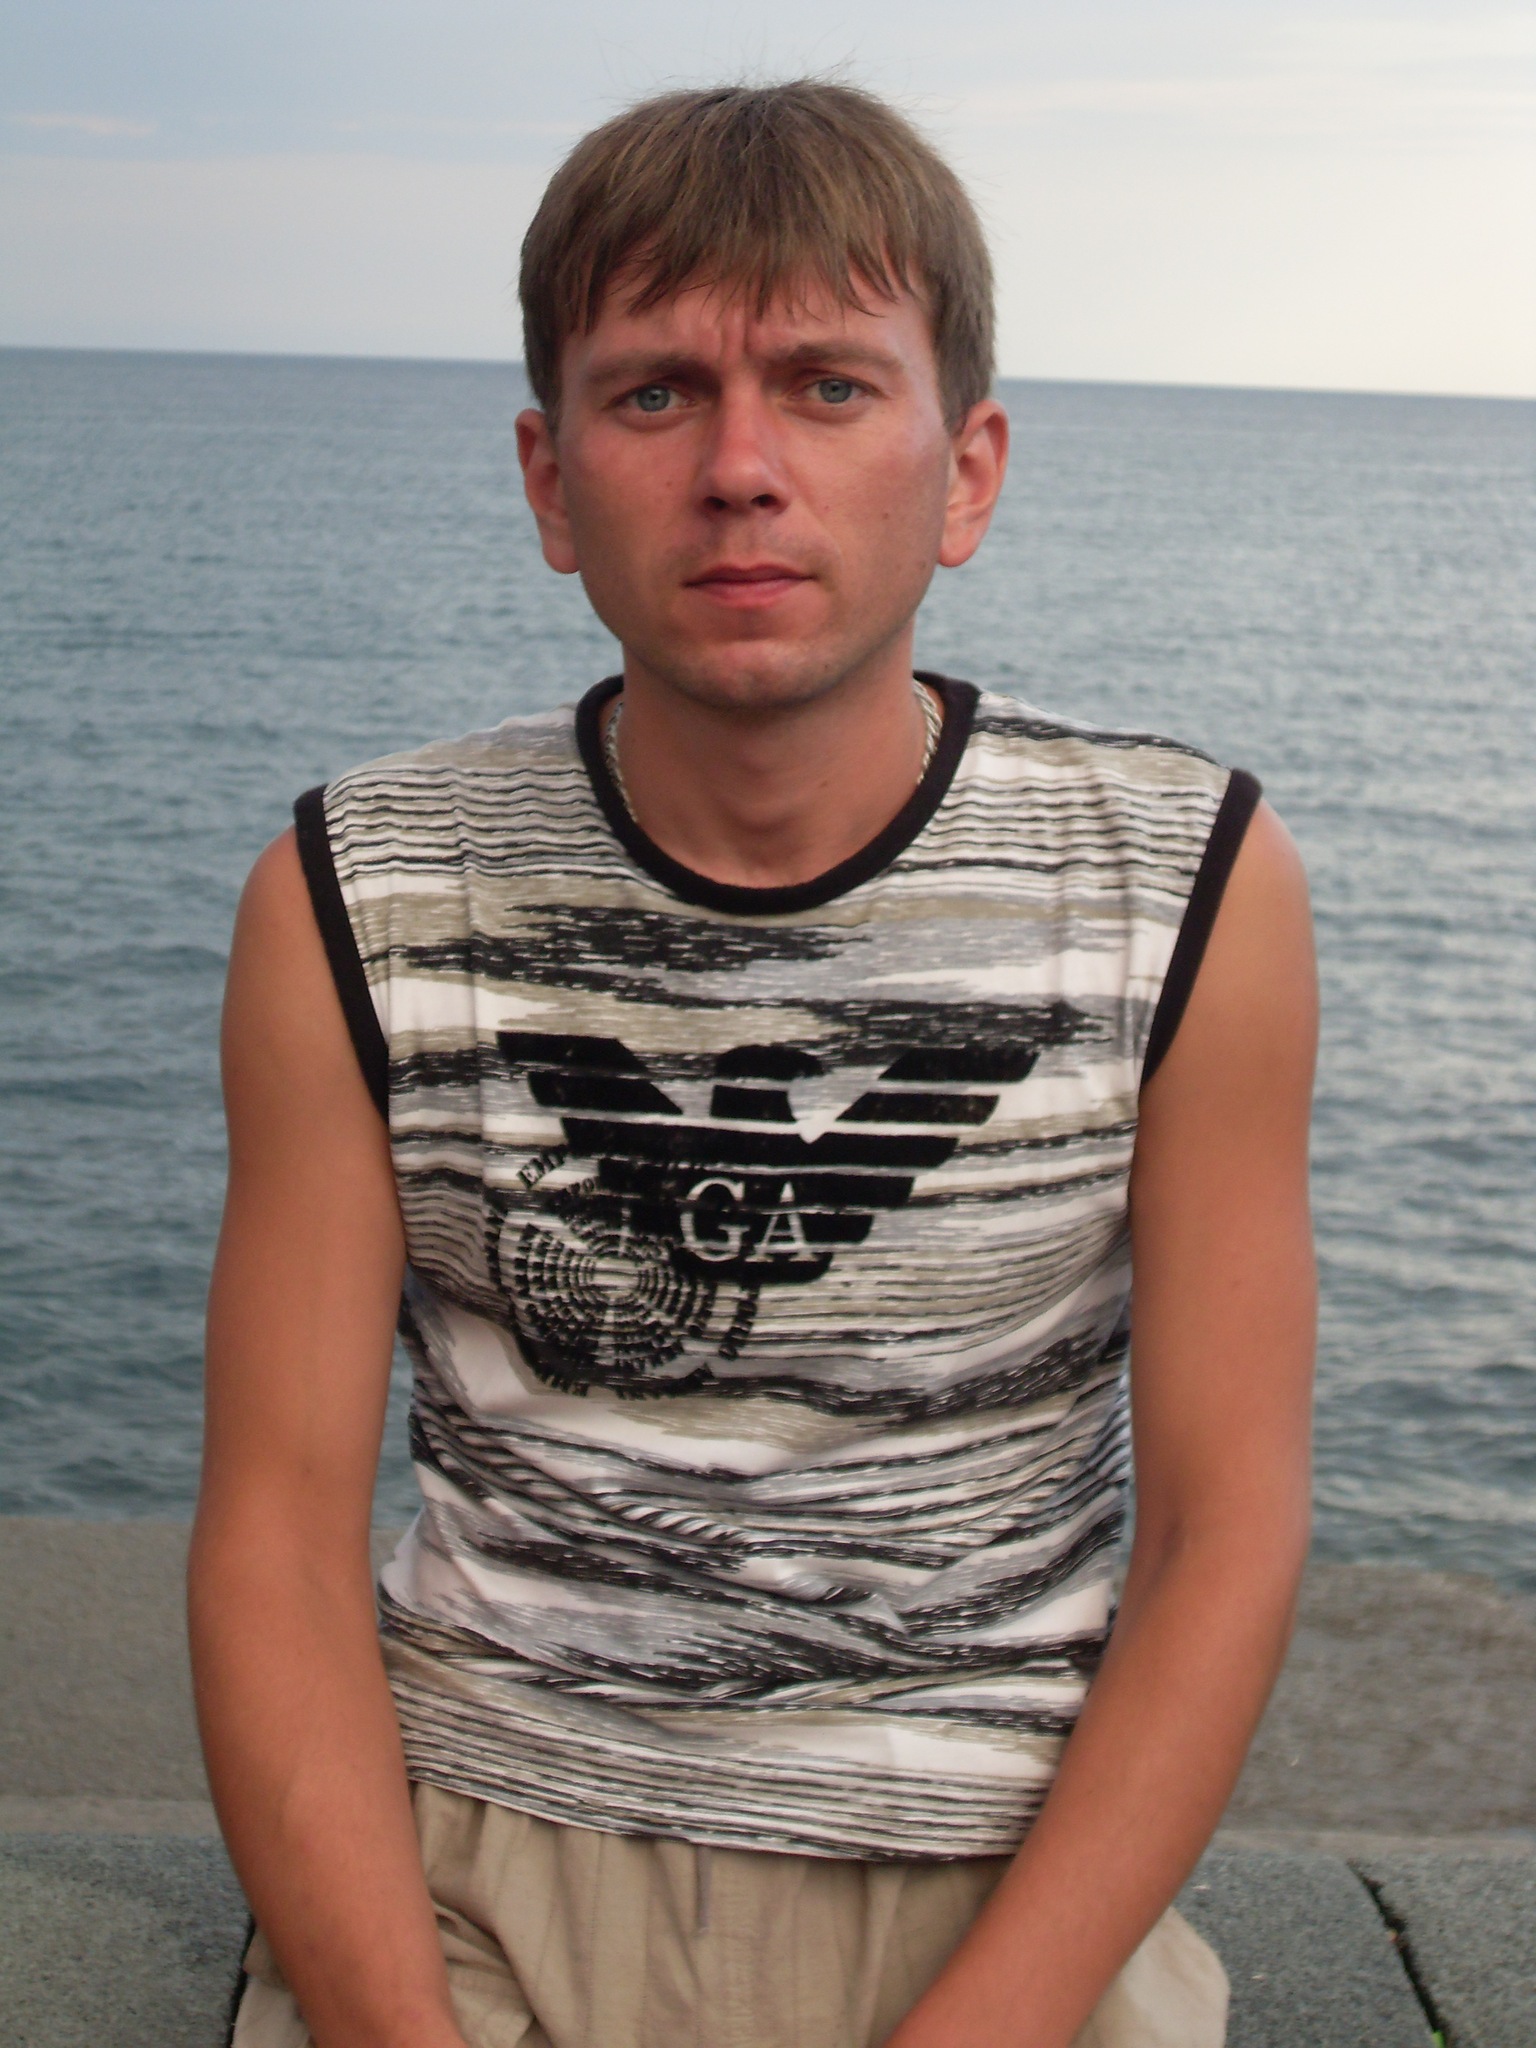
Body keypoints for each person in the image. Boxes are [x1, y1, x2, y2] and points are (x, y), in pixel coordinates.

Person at [190, 79, 1317, 2048]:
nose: (739, 468)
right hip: (482, 1864)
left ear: (965, 470)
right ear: (551, 481)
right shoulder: (353, 898)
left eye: (826, 386)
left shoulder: (1182, 885)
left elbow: (1224, 1531)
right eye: (654, 394)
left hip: (996, 1871)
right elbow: (274, 1534)